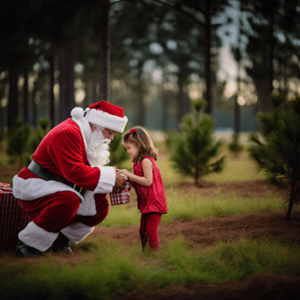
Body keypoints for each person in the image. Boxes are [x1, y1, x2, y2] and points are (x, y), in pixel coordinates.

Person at [12, 100, 128, 257]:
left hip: (59, 185)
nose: (111, 138)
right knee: (69, 200)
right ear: (97, 125)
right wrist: (110, 177)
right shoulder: (68, 133)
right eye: (110, 132)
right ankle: (28, 244)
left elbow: (87, 171)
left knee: (99, 205)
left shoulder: (86, 135)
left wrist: (112, 179)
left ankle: (60, 239)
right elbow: (74, 172)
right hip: (36, 184)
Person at [120, 127, 167, 252]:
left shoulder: (146, 161)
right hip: (147, 202)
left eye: (129, 148)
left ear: (139, 145)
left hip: (154, 201)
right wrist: (128, 182)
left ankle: (153, 255)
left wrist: (129, 174)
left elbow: (148, 181)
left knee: (150, 231)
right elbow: (139, 183)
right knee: (142, 231)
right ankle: (145, 254)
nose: (128, 151)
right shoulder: (137, 162)